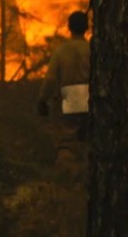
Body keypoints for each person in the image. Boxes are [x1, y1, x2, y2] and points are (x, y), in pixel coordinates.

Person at [38, 10, 91, 167]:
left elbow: (51, 79)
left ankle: (66, 178)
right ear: (87, 28)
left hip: (67, 99)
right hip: (90, 100)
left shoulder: (61, 51)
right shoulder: (92, 50)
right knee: (90, 140)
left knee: (66, 142)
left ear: (69, 27)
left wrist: (42, 100)